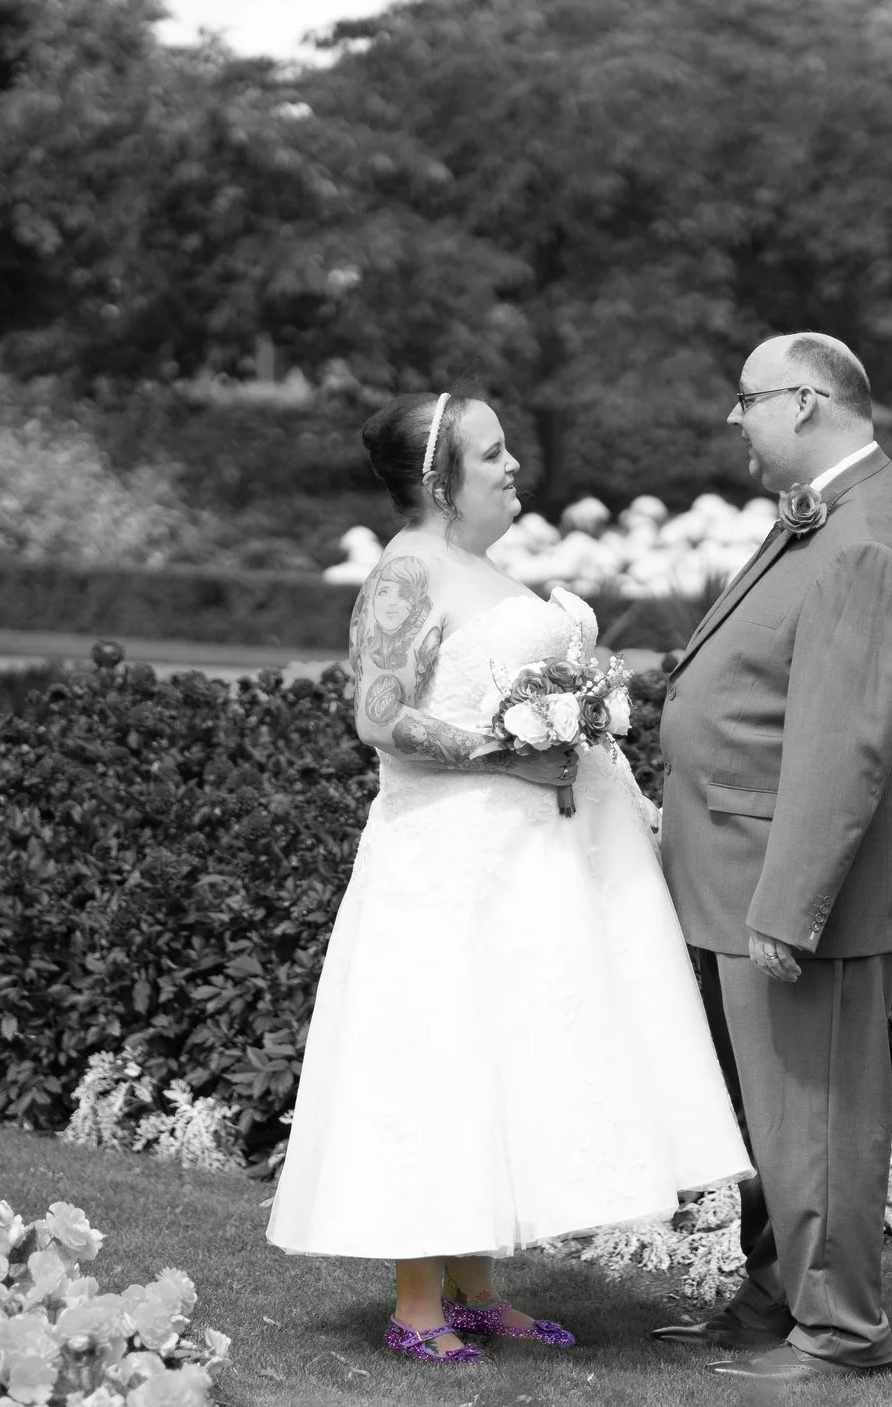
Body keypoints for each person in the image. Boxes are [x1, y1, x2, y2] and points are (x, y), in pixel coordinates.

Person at [267, 391, 753, 1365]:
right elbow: (376, 714)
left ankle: (479, 1287)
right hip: (441, 863)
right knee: (437, 1055)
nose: (512, 466)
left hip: (523, 866)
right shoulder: (406, 573)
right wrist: (504, 751)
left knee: (501, 1055)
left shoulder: (480, 571)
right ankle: (416, 1306)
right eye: (492, 454)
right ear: (441, 477)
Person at [651, 333, 892, 1382]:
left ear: (805, 402)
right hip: (743, 865)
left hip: (790, 886)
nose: (734, 420)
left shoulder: (866, 531)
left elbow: (843, 746)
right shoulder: (839, 510)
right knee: (777, 1119)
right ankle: (777, 1296)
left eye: (746, 400)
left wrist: (788, 909)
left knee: (816, 1116)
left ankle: (839, 1331)